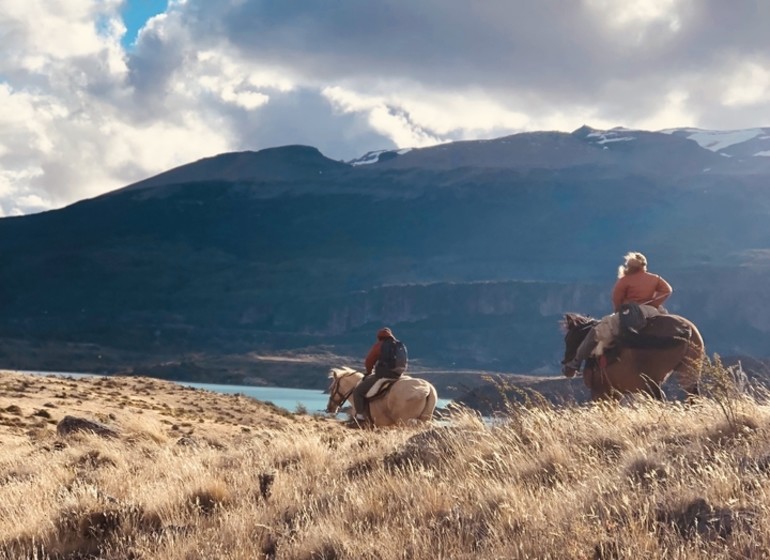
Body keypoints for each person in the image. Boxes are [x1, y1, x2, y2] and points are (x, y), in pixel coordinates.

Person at [564, 252, 673, 371]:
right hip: (652, 311)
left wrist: (619, 313)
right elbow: (668, 290)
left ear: (629, 266)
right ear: (644, 266)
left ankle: (575, 363)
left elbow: (616, 300)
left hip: (630, 313)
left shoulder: (625, 281)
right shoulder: (655, 278)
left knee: (596, 332)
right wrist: (654, 304)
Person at [351, 327, 402, 424]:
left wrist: (369, 371)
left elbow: (369, 361)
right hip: (398, 375)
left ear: (379, 337)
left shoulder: (380, 345)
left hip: (383, 375)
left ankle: (360, 417)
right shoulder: (399, 345)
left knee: (358, 392)